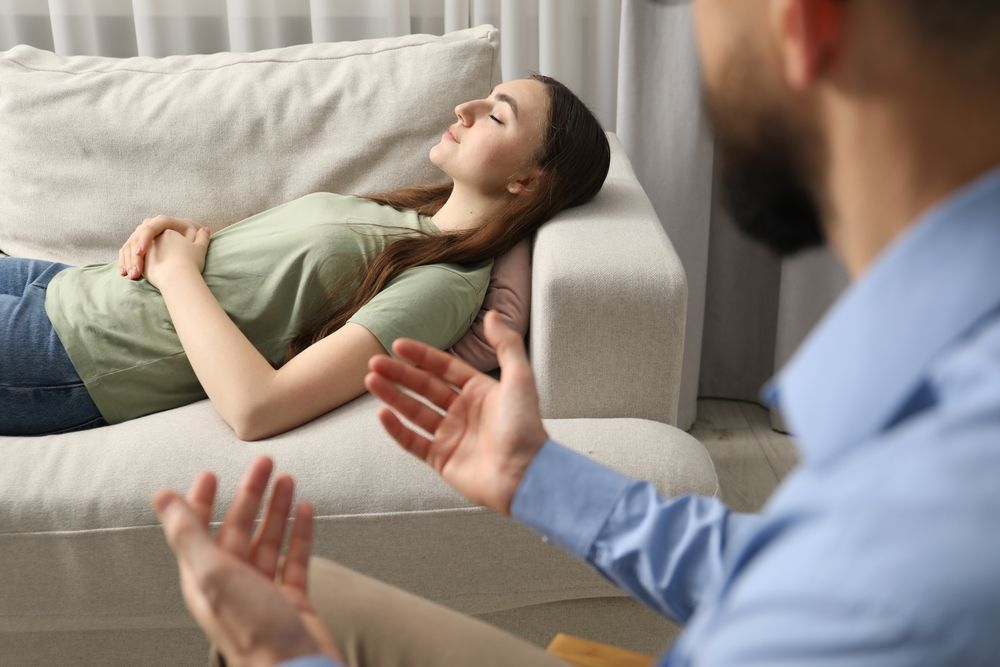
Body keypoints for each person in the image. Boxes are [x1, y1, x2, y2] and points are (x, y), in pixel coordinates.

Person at [153, 0, 1000, 665]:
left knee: (265, 623)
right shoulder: (937, 391)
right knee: (295, 593)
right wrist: (543, 478)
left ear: (805, 26)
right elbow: (796, 582)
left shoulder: (951, 487)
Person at [0, 74, 610, 439]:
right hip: (65, 284)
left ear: (525, 183)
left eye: (495, 116)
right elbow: (267, 280)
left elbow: (257, 409)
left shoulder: (443, 287)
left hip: (71, 354)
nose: (465, 110)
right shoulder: (409, 219)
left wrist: (178, 273)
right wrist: (190, 239)